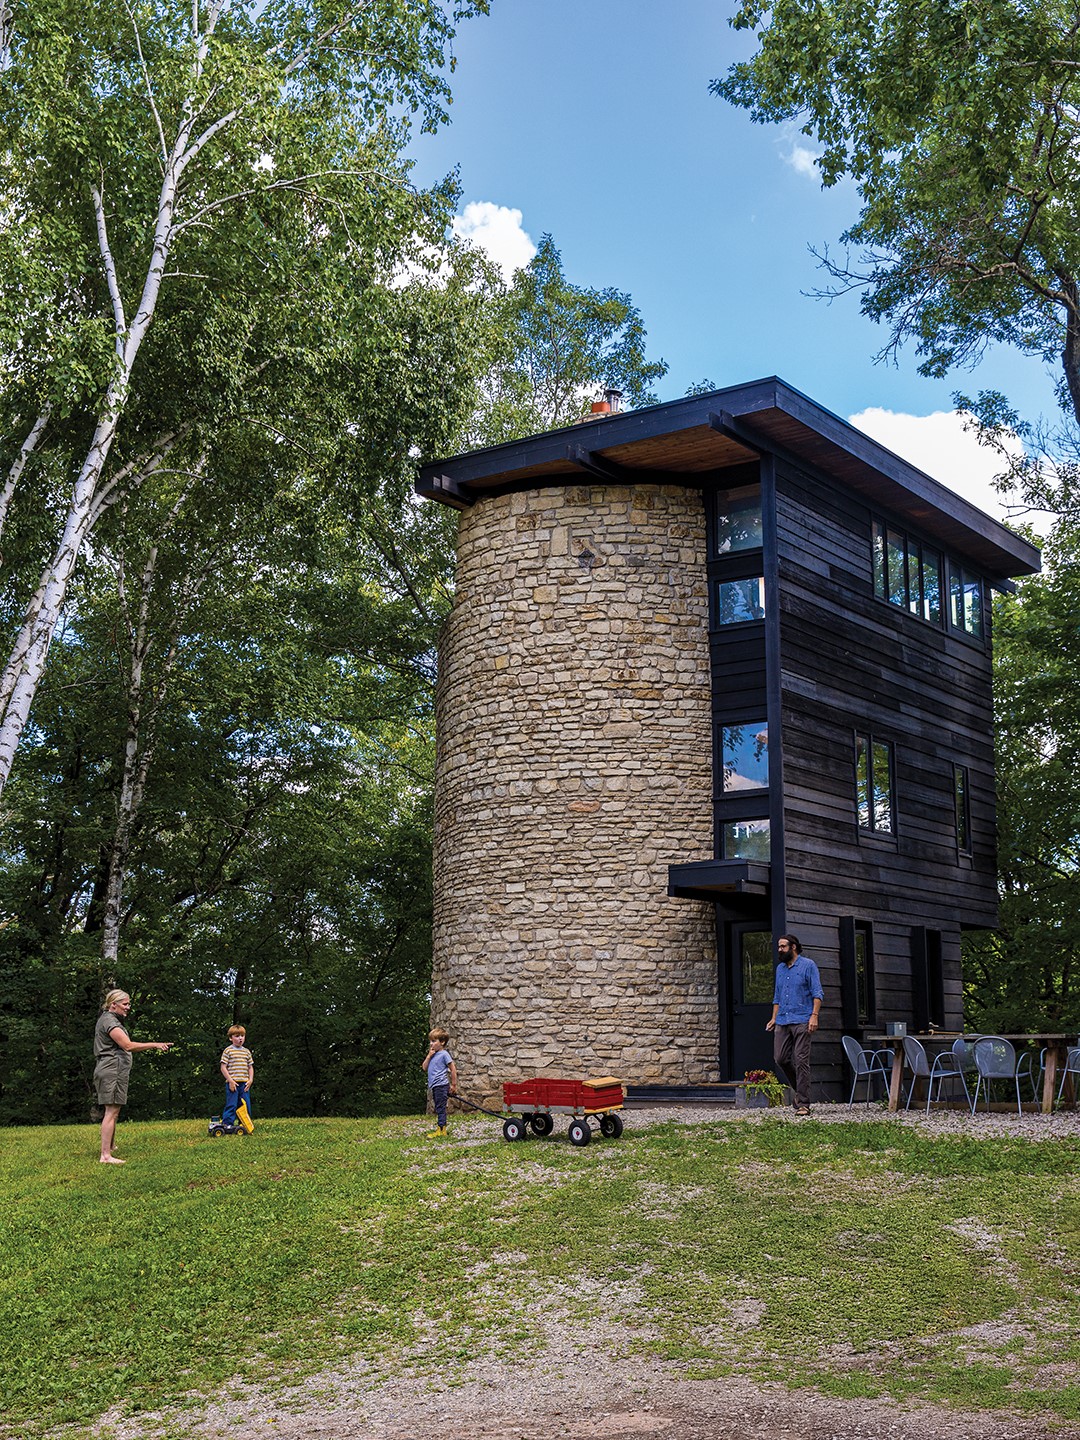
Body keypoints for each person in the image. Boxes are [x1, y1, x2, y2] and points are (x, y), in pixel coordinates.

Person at [93, 989, 172, 1164]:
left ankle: (110, 1146)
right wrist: (155, 1045)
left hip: (114, 1069)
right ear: (113, 1004)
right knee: (111, 1112)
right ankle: (105, 1156)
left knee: (115, 1110)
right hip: (111, 1069)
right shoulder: (109, 1021)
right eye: (125, 1004)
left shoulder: (110, 1019)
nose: (128, 1007)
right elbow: (127, 1045)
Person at [765, 934, 823, 1116]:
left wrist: (814, 1016)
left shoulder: (808, 965)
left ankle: (804, 1103)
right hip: (782, 1019)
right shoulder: (780, 969)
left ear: (794, 947)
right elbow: (777, 996)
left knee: (801, 1060)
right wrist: (774, 1018)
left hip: (802, 1020)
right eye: (779, 947)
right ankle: (800, 1091)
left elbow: (817, 993)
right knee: (780, 1058)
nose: (779, 950)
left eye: (783, 946)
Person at [422, 1027, 457, 1138]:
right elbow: (424, 1067)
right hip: (435, 1086)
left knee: (440, 1108)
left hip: (441, 1085)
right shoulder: (432, 1055)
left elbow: (453, 1069)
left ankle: (442, 1130)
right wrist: (428, 1056)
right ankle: (441, 1128)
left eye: (434, 1041)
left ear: (442, 1042)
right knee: (438, 1107)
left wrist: (453, 1085)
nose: (431, 1044)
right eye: (430, 1041)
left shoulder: (444, 1054)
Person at [219, 1025, 255, 1132]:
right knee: (232, 1104)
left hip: (244, 1084)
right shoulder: (228, 1051)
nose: (240, 1038)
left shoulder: (247, 1052)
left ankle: (244, 1123)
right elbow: (223, 1067)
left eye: (242, 1036)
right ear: (231, 1038)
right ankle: (227, 1124)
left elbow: (250, 1067)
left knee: (245, 1105)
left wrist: (250, 1080)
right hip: (233, 1083)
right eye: (237, 1036)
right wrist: (230, 1081)